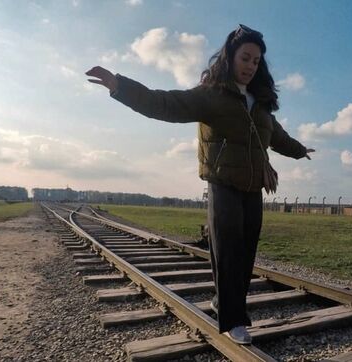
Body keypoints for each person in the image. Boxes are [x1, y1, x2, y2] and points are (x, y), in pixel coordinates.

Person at [86, 24, 315, 344]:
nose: (250, 66)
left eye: (256, 61)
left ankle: (225, 303)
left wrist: (299, 150)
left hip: (253, 187)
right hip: (222, 183)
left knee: (246, 252)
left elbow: (275, 136)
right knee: (227, 249)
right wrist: (119, 86)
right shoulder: (211, 95)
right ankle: (234, 320)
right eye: (245, 58)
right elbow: (162, 103)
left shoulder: (259, 103)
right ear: (230, 57)